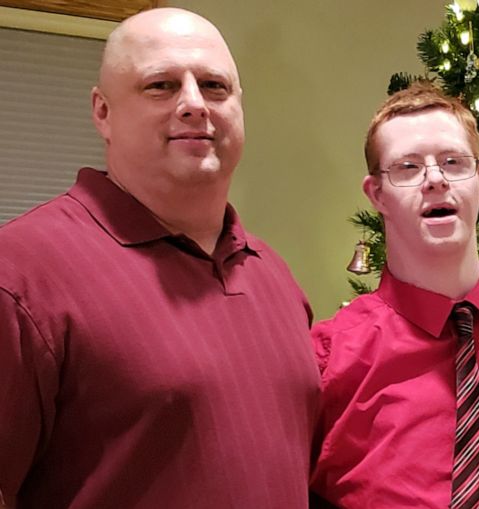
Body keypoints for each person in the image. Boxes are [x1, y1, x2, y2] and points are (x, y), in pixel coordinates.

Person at [0, 8, 319, 508]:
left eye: (215, 86)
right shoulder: (20, 275)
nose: (195, 104)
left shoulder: (274, 276)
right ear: (102, 112)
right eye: (160, 86)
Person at [309, 83, 479, 508]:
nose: (435, 179)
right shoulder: (329, 361)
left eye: (453, 162)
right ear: (376, 194)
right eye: (407, 167)